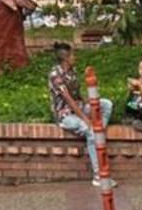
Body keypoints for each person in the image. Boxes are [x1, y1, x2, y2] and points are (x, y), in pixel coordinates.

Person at [47, 41, 110, 182]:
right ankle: (98, 175)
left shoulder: (72, 71)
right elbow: (68, 99)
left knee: (106, 105)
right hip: (65, 115)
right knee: (90, 131)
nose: (75, 57)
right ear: (66, 58)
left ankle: (100, 137)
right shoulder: (55, 74)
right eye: (73, 55)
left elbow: (76, 94)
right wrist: (85, 119)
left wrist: (86, 101)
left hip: (79, 107)